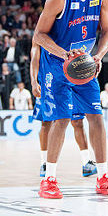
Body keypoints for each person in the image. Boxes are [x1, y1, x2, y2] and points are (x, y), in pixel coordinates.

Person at [33, 0, 108, 198]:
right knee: (61, 119)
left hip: (85, 65)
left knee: (96, 116)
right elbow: (38, 35)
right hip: (57, 64)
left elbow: (107, 33)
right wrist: (65, 55)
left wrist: (98, 56)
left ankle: (103, 177)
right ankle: (49, 180)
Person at [30, 42, 97, 177]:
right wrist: (33, 80)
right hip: (48, 78)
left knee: (78, 121)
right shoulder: (43, 29)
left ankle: (86, 162)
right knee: (46, 122)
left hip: (72, 77)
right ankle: (44, 163)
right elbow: (34, 54)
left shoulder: (72, 27)